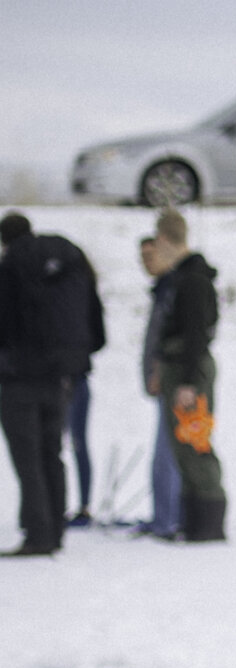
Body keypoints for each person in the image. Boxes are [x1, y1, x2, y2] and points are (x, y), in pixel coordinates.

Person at [0, 212, 105, 556]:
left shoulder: (10, 265)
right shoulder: (70, 258)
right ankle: (56, 530)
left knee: (27, 459)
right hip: (62, 375)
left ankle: (38, 534)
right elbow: (95, 320)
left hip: (17, 378)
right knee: (52, 453)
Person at [147, 208, 225, 542]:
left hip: (188, 371)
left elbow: (195, 333)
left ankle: (206, 524)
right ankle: (192, 521)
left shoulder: (191, 280)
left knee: (194, 442)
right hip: (180, 369)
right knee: (184, 446)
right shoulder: (187, 276)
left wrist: (190, 382)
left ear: (164, 239)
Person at [135, 229, 183, 539]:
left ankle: (169, 519)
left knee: (168, 451)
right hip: (161, 378)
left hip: (170, 379)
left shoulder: (173, 288)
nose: (146, 262)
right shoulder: (161, 289)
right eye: (142, 257)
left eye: (151, 255)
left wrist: (158, 369)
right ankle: (163, 516)